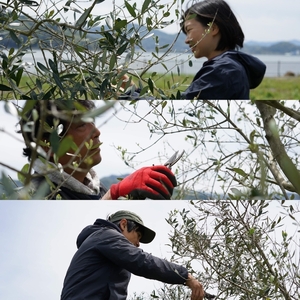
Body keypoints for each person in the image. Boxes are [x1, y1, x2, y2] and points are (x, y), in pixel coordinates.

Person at [19, 100, 177, 200]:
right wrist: (114, 193)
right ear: (49, 145)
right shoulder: (35, 196)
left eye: (92, 121)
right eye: (81, 125)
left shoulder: (97, 189)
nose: (96, 132)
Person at [60, 210, 208, 300]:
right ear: (123, 225)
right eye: (137, 235)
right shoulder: (106, 236)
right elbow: (143, 261)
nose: (138, 244)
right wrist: (185, 276)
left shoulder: (104, 245)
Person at [180, 0, 266, 99]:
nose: (186, 40)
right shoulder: (229, 67)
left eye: (189, 30)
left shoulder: (223, 70)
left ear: (213, 28)